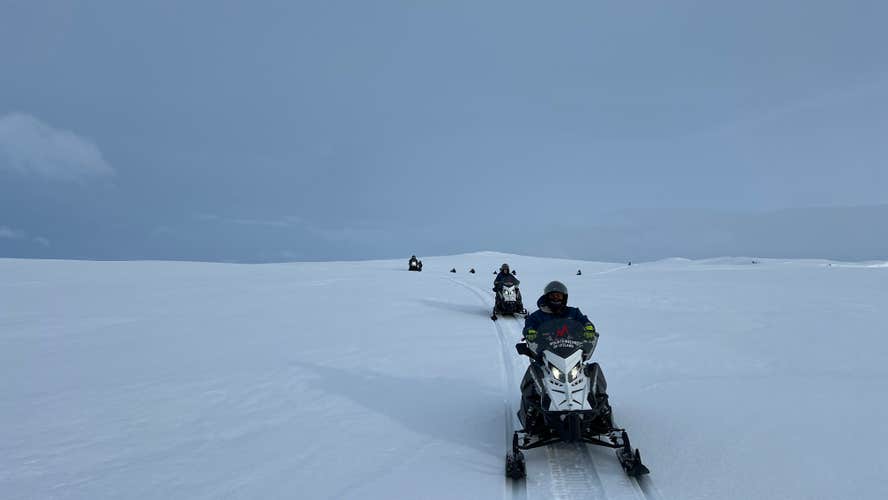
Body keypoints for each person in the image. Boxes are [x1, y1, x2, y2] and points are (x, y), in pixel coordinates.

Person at [522, 280, 597, 350]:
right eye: (552, 296)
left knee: (591, 365)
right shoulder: (537, 315)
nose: (555, 298)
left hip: (573, 350)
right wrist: (530, 331)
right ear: (547, 298)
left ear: (564, 297)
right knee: (535, 364)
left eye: (558, 296)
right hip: (545, 351)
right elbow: (529, 325)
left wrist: (589, 327)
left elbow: (584, 321)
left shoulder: (574, 312)